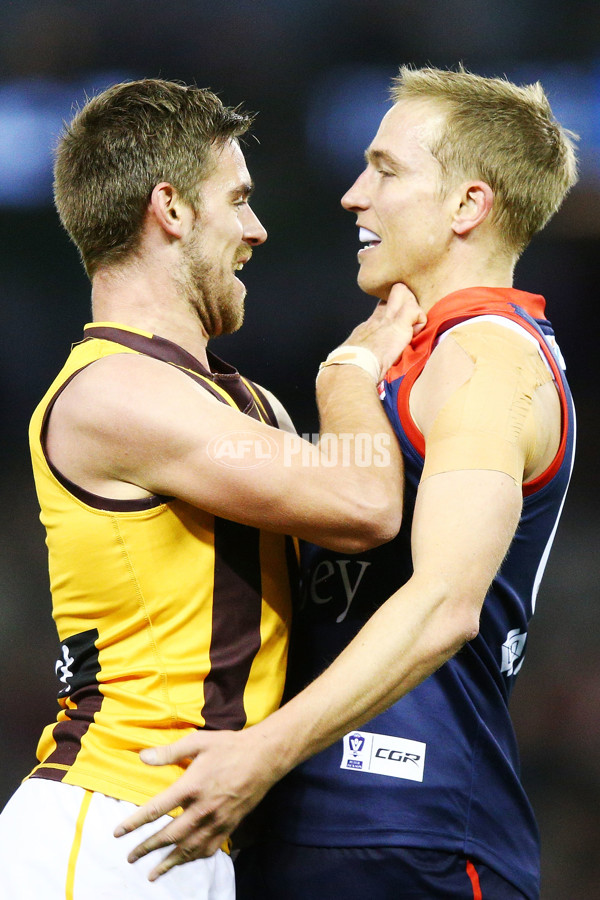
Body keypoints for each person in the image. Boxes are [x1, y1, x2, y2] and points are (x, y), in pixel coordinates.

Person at [113, 67, 578, 899]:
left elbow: (446, 605)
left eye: (388, 170)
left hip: (413, 831)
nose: (354, 195)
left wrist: (260, 753)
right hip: (305, 823)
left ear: (470, 205)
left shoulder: (490, 359)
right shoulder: (402, 358)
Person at [0, 78, 426, 900]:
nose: (257, 230)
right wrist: (349, 374)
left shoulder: (239, 402)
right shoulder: (112, 394)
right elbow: (364, 505)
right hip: (107, 827)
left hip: (190, 836)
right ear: (171, 208)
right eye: (238, 199)